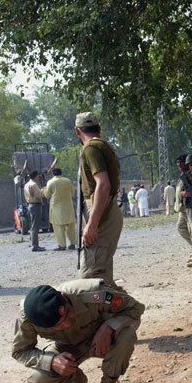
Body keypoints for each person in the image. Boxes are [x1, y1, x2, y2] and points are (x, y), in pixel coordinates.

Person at [12, 279, 145, 383]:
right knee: (39, 378)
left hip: (101, 338)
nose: (67, 323)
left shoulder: (93, 293)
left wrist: (109, 327)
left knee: (126, 335)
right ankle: (76, 381)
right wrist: (52, 361)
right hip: (66, 347)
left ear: (63, 296)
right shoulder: (27, 318)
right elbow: (20, 351)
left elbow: (135, 307)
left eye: (68, 313)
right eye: (59, 325)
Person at [75, 112, 123, 287]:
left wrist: (92, 224)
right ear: (98, 129)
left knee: (89, 280)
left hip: (102, 213)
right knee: (103, 278)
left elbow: (103, 185)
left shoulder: (91, 148)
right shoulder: (106, 147)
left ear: (77, 131)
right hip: (107, 211)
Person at [43, 168, 76, 251]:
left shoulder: (51, 182)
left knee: (58, 227)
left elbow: (47, 195)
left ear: (53, 174)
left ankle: (62, 245)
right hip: (68, 206)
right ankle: (72, 244)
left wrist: (43, 190)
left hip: (56, 207)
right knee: (71, 226)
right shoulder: (68, 181)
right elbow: (73, 192)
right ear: (61, 173)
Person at [24, 170, 46, 252]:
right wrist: (44, 190)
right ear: (36, 176)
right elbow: (39, 195)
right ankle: (35, 245)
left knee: (32, 225)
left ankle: (33, 244)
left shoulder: (26, 184)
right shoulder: (34, 185)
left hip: (30, 205)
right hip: (35, 205)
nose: (39, 178)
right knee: (35, 227)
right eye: (38, 176)